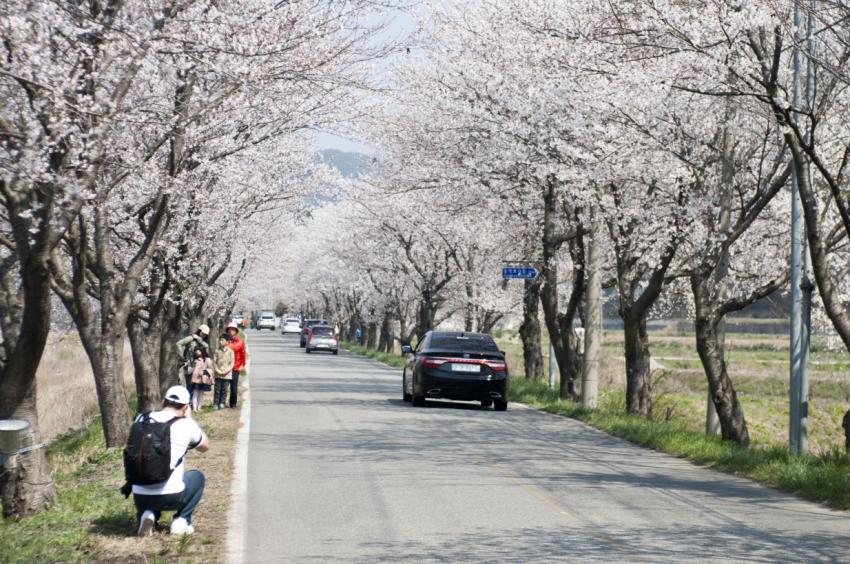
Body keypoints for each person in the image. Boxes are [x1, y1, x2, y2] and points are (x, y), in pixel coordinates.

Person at [133, 386, 210, 537]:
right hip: (171, 496)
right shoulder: (186, 424)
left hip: (139, 495)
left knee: (150, 479)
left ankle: (148, 514)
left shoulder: (142, 418)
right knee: (197, 477)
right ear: (186, 407)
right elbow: (205, 447)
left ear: (163, 402)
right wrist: (190, 419)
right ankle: (181, 520)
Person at [225, 322, 246, 408]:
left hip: (235, 367)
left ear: (236, 331)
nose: (231, 331)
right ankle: (221, 402)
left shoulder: (239, 342)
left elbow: (243, 355)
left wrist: (242, 365)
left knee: (234, 387)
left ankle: (233, 403)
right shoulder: (224, 340)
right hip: (225, 367)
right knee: (223, 387)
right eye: (229, 329)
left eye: (233, 330)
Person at [212, 335, 235, 410]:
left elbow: (231, 363)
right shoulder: (217, 351)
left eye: (222, 340)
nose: (220, 342)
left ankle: (222, 402)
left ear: (227, 342)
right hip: (218, 374)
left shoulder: (230, 351)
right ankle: (215, 403)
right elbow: (214, 362)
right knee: (217, 389)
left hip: (227, 374)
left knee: (224, 389)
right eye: (220, 340)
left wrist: (226, 371)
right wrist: (217, 370)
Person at [189, 346, 213, 412]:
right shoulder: (194, 360)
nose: (196, 352)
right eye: (196, 350)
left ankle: (199, 407)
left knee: (201, 393)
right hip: (195, 379)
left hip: (203, 379)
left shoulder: (208, 360)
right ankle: (194, 408)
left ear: (202, 351)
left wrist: (204, 371)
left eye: (198, 350)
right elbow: (190, 370)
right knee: (195, 393)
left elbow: (210, 369)